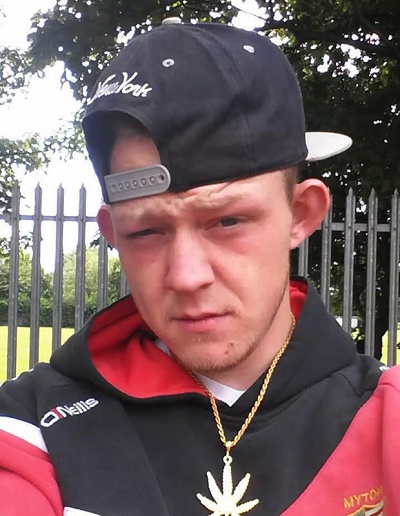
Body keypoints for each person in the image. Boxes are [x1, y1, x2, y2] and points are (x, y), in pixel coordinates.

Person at [0, 19, 398, 516]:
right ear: (113, 233)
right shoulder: (30, 429)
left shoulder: (386, 418)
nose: (186, 277)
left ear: (300, 215)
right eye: (146, 231)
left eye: (228, 221)